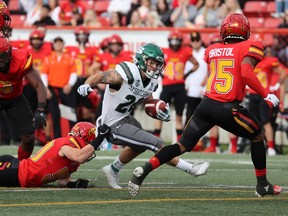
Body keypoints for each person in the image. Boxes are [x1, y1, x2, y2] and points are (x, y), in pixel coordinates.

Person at [128, 13, 282, 197]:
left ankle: (142, 172)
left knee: (181, 145)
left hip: (206, 106)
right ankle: (263, 185)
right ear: (245, 30)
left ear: (224, 30)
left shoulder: (212, 49)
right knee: (257, 135)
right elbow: (246, 72)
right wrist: (266, 95)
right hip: (227, 107)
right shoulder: (252, 45)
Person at [77, 43, 210, 189]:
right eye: (151, 62)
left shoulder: (152, 81)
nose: (154, 67)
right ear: (141, 60)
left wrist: (159, 111)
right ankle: (191, 169)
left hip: (126, 118)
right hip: (111, 125)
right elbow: (101, 76)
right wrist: (87, 84)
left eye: (157, 64)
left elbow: (148, 102)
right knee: (156, 143)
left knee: (139, 146)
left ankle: (112, 169)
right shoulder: (127, 73)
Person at [0, 122, 110, 187]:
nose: (91, 149)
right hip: (12, 171)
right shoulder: (68, 145)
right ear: (84, 138)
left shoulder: (73, 157)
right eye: (90, 143)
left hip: (16, 173)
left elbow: (63, 181)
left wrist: (72, 184)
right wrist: (99, 138)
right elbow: (80, 157)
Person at [0, 37, 47, 160]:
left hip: (15, 99)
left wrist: (40, 109)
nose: (0, 61)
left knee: (29, 137)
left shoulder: (20, 59)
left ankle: (21, 166)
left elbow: (39, 84)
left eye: (2, 57)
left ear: (9, 54)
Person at [154, 30, 199, 141]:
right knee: (159, 113)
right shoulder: (164, 52)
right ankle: (156, 139)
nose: (174, 43)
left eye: (176, 41)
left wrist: (186, 74)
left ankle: (179, 141)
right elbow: (154, 63)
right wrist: (160, 74)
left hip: (179, 87)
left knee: (179, 116)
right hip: (167, 86)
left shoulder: (185, 52)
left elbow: (196, 64)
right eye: (172, 41)